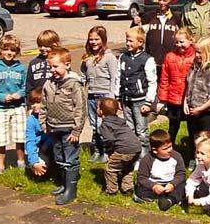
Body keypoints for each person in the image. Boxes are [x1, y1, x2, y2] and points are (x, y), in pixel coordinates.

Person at [40, 47, 87, 205]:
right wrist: (43, 123)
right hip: (53, 127)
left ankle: (71, 190)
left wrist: (77, 130)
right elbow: (43, 105)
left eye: (55, 66)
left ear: (67, 65)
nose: (52, 70)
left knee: (70, 159)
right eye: (50, 67)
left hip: (69, 129)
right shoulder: (49, 84)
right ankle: (63, 183)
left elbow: (81, 108)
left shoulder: (74, 84)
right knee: (59, 157)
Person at [0, 35, 27, 175]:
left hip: (18, 106)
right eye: (5, 49)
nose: (9, 53)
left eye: (13, 50)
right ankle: (1, 165)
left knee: (20, 136)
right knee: (1, 137)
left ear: (17, 51)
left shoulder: (20, 68)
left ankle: (21, 161)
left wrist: (19, 94)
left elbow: (26, 86)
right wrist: (1, 97)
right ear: (0, 50)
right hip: (0, 108)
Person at [115, 26, 157, 158]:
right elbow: (118, 77)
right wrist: (118, 96)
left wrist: (148, 101)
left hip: (140, 100)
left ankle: (144, 155)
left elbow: (152, 82)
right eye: (127, 40)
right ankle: (133, 152)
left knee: (141, 130)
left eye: (131, 41)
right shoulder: (123, 57)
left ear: (140, 42)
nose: (128, 43)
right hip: (126, 99)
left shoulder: (147, 59)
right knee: (129, 127)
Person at [81, 26, 118, 164]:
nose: (93, 42)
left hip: (104, 96)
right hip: (91, 95)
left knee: (102, 125)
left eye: (96, 39)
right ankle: (96, 150)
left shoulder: (109, 57)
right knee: (93, 124)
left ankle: (106, 151)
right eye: (91, 39)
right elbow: (83, 74)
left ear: (103, 40)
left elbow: (114, 77)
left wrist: (111, 97)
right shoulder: (88, 57)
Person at [184, 37, 210, 164]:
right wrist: (185, 101)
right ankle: (195, 158)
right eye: (196, 52)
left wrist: (201, 109)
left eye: (200, 52)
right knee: (194, 136)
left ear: (209, 52)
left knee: (208, 139)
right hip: (192, 109)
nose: (197, 55)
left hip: (208, 112)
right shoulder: (194, 66)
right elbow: (188, 85)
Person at [156, 27, 196, 145]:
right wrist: (162, 99)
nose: (179, 45)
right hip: (173, 98)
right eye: (177, 42)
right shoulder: (170, 57)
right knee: (173, 127)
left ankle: (194, 154)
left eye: (182, 42)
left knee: (192, 128)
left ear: (191, 40)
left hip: (190, 99)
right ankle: (169, 150)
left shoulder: (195, 56)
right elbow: (164, 79)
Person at [96, 97, 141, 195]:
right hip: (136, 148)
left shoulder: (105, 124)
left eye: (97, 108)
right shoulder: (120, 121)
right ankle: (127, 188)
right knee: (127, 168)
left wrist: (109, 151)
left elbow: (109, 140)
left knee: (110, 168)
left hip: (124, 150)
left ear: (101, 111)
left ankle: (111, 190)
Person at [133, 0, 182, 79]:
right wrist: (135, 22)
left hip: (170, 58)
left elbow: (182, 36)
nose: (162, 3)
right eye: (160, 0)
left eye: (165, 0)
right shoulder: (150, 16)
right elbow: (135, 31)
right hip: (152, 57)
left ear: (170, 0)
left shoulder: (176, 18)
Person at [134, 129, 186, 211]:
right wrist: (153, 186)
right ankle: (157, 199)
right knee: (140, 189)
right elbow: (142, 178)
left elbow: (181, 174)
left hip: (170, 184)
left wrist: (173, 184)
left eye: (170, 146)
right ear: (155, 150)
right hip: (154, 186)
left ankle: (170, 200)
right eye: (165, 148)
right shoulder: (147, 159)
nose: (169, 150)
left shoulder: (176, 156)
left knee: (184, 185)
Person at [25, 87, 53, 177]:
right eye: (32, 103)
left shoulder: (52, 116)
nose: (34, 105)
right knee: (39, 164)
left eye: (38, 102)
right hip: (39, 149)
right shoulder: (31, 120)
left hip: (51, 146)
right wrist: (34, 162)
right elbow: (30, 140)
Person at [25, 30, 60, 99]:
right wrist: (29, 100)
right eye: (40, 46)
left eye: (46, 46)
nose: (43, 48)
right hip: (38, 99)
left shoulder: (59, 61)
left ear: (54, 45)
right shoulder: (34, 62)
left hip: (55, 98)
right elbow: (29, 84)